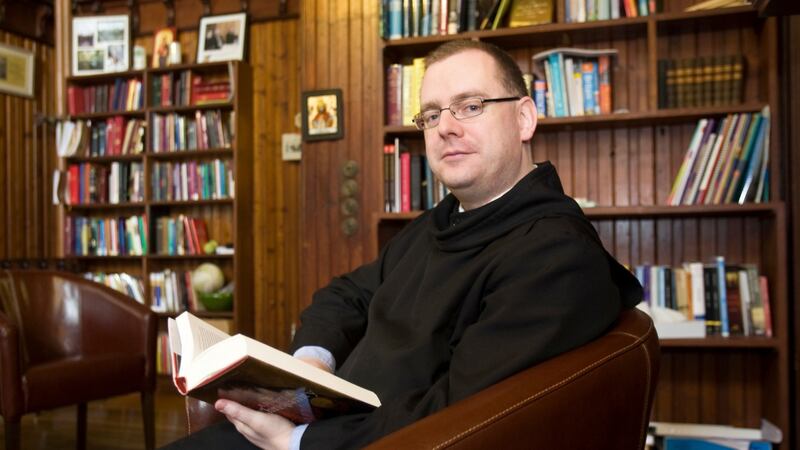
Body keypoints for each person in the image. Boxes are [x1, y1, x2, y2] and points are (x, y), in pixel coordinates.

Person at [162, 39, 642, 450]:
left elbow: (460, 419)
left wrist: (295, 442)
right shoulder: (444, 219)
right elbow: (346, 294)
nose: (445, 127)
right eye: (431, 115)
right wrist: (310, 367)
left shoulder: (555, 256)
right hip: (335, 426)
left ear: (523, 119)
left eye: (470, 106)